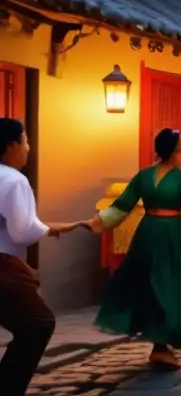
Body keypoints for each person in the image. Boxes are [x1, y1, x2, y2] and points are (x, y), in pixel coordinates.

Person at [87, 128, 181, 368]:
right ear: (176, 150)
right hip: (169, 234)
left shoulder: (144, 176)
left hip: (149, 232)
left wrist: (100, 221)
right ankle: (160, 345)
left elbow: (121, 206)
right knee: (167, 287)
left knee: (158, 286)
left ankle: (160, 344)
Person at [0, 119, 80, 395]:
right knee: (38, 323)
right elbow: (22, 231)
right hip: (3, 267)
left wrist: (47, 227)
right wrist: (46, 228)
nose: (28, 148)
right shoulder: (13, 180)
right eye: (24, 141)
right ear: (11, 146)